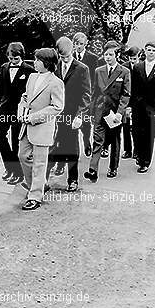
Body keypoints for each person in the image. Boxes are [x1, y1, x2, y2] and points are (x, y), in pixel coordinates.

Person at [17, 48, 64, 211]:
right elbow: (25, 97)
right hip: (26, 125)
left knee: (39, 162)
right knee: (22, 156)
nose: (34, 62)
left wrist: (34, 117)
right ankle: (37, 185)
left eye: (37, 60)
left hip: (42, 127)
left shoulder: (56, 82)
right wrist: (21, 111)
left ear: (47, 63)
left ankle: (35, 196)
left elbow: (57, 107)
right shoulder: (32, 77)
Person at [46, 37, 91, 192]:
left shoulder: (82, 68)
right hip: (54, 113)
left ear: (72, 51)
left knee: (71, 148)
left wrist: (79, 116)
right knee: (52, 146)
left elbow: (86, 94)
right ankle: (43, 181)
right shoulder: (53, 66)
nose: (64, 59)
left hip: (72, 115)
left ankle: (73, 180)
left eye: (66, 56)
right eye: (61, 56)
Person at [84, 41, 131, 182]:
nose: (108, 57)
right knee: (97, 141)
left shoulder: (124, 71)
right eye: (106, 54)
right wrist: (91, 112)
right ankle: (93, 170)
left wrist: (119, 112)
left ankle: (113, 167)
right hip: (100, 111)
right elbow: (94, 93)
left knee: (115, 141)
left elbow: (126, 94)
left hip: (114, 113)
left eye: (111, 54)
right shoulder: (99, 71)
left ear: (117, 55)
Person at [0, 42, 34, 185]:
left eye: (16, 58)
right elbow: (0, 89)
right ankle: (10, 167)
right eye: (10, 58)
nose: (13, 61)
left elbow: (31, 92)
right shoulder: (4, 67)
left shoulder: (29, 70)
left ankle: (19, 173)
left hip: (20, 110)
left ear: (21, 56)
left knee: (16, 141)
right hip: (5, 108)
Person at [129, 41, 155, 174]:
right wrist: (129, 107)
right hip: (138, 106)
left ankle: (145, 161)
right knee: (136, 132)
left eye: (153, 50)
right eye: (148, 50)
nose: (151, 52)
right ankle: (139, 154)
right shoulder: (137, 67)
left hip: (154, 108)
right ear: (144, 51)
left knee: (149, 135)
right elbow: (133, 88)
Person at [73, 32, 100, 158]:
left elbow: (95, 78)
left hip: (87, 95)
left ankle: (86, 142)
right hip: (72, 96)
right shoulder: (70, 57)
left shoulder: (93, 58)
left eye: (81, 44)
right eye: (76, 44)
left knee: (86, 123)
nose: (79, 46)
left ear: (86, 44)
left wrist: (92, 94)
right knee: (71, 123)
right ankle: (73, 149)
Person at [121, 45, 141, 160]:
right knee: (126, 127)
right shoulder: (124, 67)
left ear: (139, 57)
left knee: (137, 128)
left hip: (138, 103)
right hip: (126, 102)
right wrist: (127, 105)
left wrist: (134, 106)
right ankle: (127, 150)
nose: (132, 61)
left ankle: (137, 151)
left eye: (135, 58)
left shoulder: (142, 67)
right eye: (131, 58)